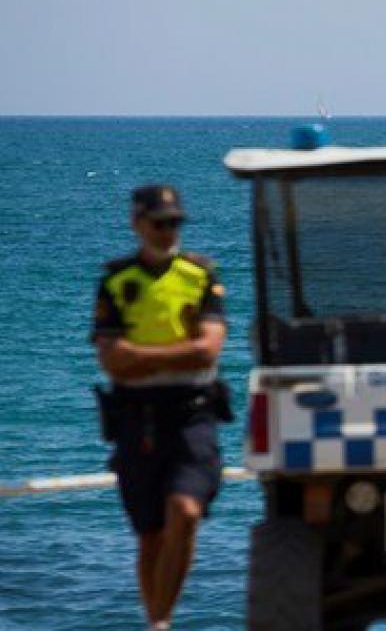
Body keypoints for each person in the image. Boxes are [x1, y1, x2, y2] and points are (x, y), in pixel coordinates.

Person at [91, 185, 228, 631]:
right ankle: (157, 623)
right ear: (137, 224)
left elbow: (207, 351)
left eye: (175, 223)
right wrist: (178, 351)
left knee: (186, 513)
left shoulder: (201, 275)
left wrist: (139, 355)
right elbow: (111, 360)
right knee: (150, 537)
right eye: (159, 223)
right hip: (138, 419)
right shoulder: (116, 281)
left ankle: (161, 622)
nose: (169, 231)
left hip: (193, 414)